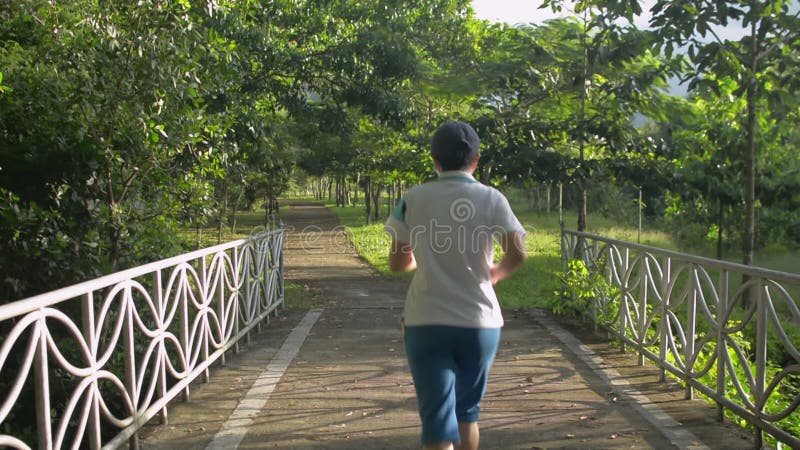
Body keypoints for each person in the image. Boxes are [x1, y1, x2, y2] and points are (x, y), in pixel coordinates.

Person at [384, 120, 527, 450]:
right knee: (467, 413)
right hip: (480, 323)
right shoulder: (493, 198)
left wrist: (423, 258)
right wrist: (494, 274)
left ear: (434, 159)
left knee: (437, 419)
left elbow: (397, 263)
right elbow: (517, 254)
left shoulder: (412, 199)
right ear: (476, 160)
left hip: (425, 322)